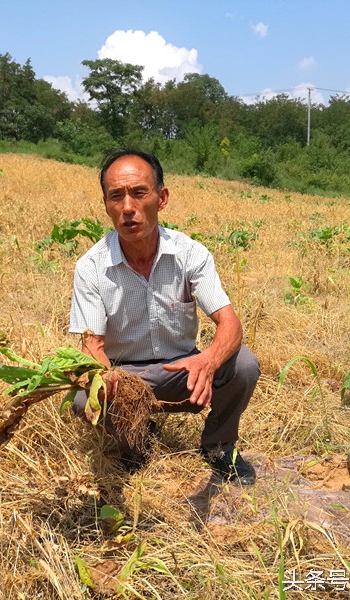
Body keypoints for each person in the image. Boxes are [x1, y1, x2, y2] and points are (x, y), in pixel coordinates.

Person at [68, 149, 260, 485]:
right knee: (85, 397)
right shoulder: (91, 267)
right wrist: (109, 380)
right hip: (126, 378)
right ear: (106, 205)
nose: (128, 207)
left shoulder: (191, 255)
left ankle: (219, 446)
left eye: (139, 193)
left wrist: (208, 361)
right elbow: (91, 343)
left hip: (183, 371)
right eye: (116, 196)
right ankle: (135, 442)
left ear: (162, 198)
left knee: (243, 364)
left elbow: (229, 323)